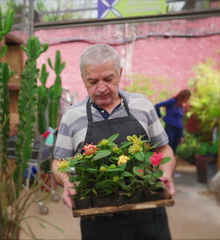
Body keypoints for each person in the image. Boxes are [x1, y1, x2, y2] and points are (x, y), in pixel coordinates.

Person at [51, 44, 176, 240]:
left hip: (148, 215)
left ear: (120, 74)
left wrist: (166, 173)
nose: (101, 88)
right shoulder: (72, 117)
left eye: (108, 79)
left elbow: (163, 148)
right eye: (92, 81)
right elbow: (58, 162)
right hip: (99, 221)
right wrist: (66, 181)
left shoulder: (141, 106)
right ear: (83, 80)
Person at [154, 89, 191, 154]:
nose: (187, 100)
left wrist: (181, 135)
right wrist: (160, 116)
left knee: (174, 148)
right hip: (170, 128)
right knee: (168, 146)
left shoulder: (180, 106)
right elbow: (157, 105)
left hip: (178, 129)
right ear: (183, 96)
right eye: (187, 97)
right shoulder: (172, 102)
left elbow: (180, 120)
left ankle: (172, 163)